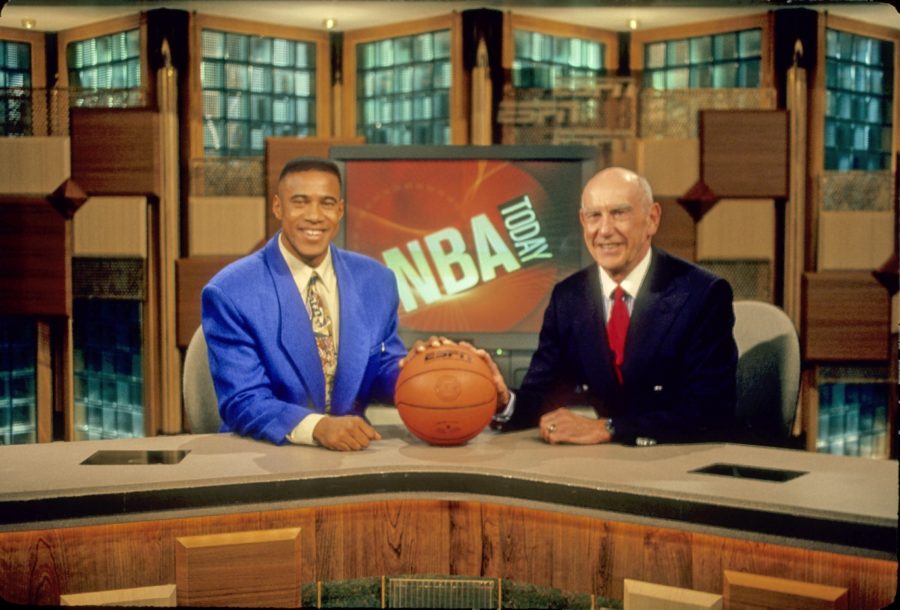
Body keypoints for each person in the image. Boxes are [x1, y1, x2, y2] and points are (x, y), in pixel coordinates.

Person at [493, 167, 737, 445]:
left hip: (676, 464)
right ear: (583, 222)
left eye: (619, 213)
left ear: (652, 219)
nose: (605, 230)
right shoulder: (568, 297)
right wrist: (503, 401)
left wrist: (609, 428)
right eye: (594, 216)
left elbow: (710, 413)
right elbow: (540, 399)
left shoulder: (701, 294)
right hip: (604, 466)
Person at [201, 157, 410, 451]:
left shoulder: (376, 281)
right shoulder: (231, 292)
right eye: (300, 202)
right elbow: (243, 400)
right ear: (278, 207)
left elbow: (383, 369)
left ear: (340, 210)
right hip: (264, 454)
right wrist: (318, 427)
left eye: (326, 203)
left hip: (352, 455)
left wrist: (424, 372)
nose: (314, 216)